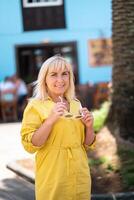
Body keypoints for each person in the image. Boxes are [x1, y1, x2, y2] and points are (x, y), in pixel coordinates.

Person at [21, 55, 96, 200]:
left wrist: (89, 127)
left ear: (70, 77)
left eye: (64, 74)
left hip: (80, 174)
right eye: (54, 75)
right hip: (53, 176)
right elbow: (31, 145)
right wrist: (50, 120)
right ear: (45, 79)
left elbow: (86, 145)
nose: (60, 80)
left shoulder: (76, 104)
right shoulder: (35, 106)